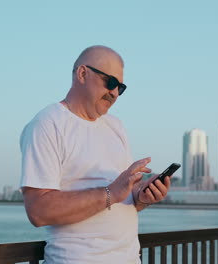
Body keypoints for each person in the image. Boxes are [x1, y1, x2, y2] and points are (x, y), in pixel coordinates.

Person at [19, 45, 172, 263]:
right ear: (83, 73)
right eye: (110, 83)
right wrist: (111, 192)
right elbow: (38, 211)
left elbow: (118, 200)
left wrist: (141, 197)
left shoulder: (116, 126)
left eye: (121, 87)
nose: (115, 93)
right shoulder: (47, 124)